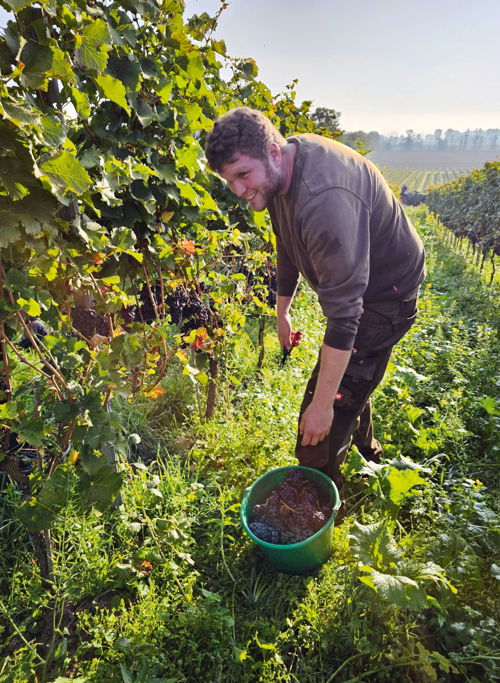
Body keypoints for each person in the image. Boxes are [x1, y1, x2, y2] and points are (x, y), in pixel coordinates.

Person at [205, 107, 426, 521]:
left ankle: (313, 514)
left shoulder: (325, 200)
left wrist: (323, 405)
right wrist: (282, 311)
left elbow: (347, 318)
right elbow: (286, 243)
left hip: (386, 294)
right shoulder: (280, 171)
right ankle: (368, 452)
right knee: (354, 377)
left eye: (242, 175)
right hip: (365, 288)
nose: (236, 189)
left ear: (272, 152)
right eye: (228, 180)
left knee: (320, 420)